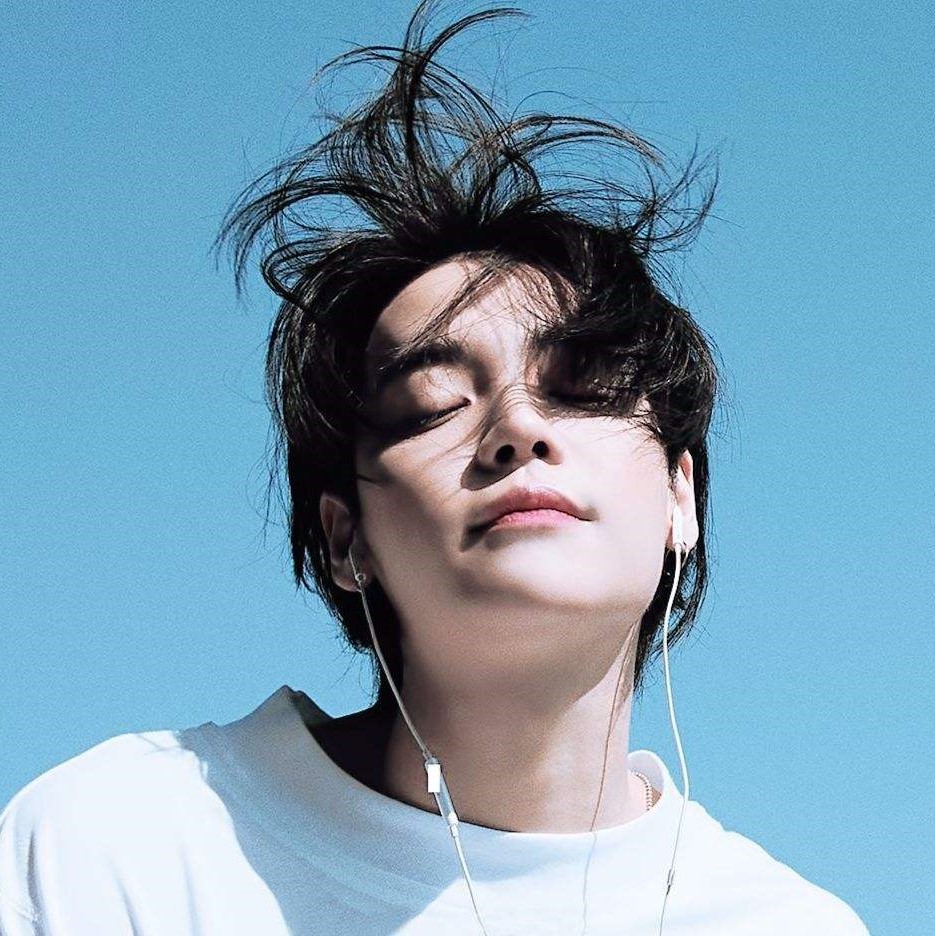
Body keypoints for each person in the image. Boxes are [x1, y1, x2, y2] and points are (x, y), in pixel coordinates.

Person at [0, 3, 869, 934]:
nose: (517, 429)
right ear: (345, 538)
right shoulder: (123, 843)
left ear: (678, 497)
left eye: (583, 390)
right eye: (432, 406)